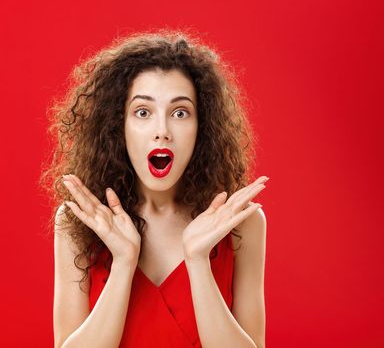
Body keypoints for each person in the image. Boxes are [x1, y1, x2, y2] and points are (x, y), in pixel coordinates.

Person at [40, 29, 267, 348]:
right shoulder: (78, 219)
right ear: (119, 126)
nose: (162, 131)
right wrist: (123, 264)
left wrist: (199, 262)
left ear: (202, 128)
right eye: (143, 112)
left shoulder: (242, 223)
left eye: (180, 112)